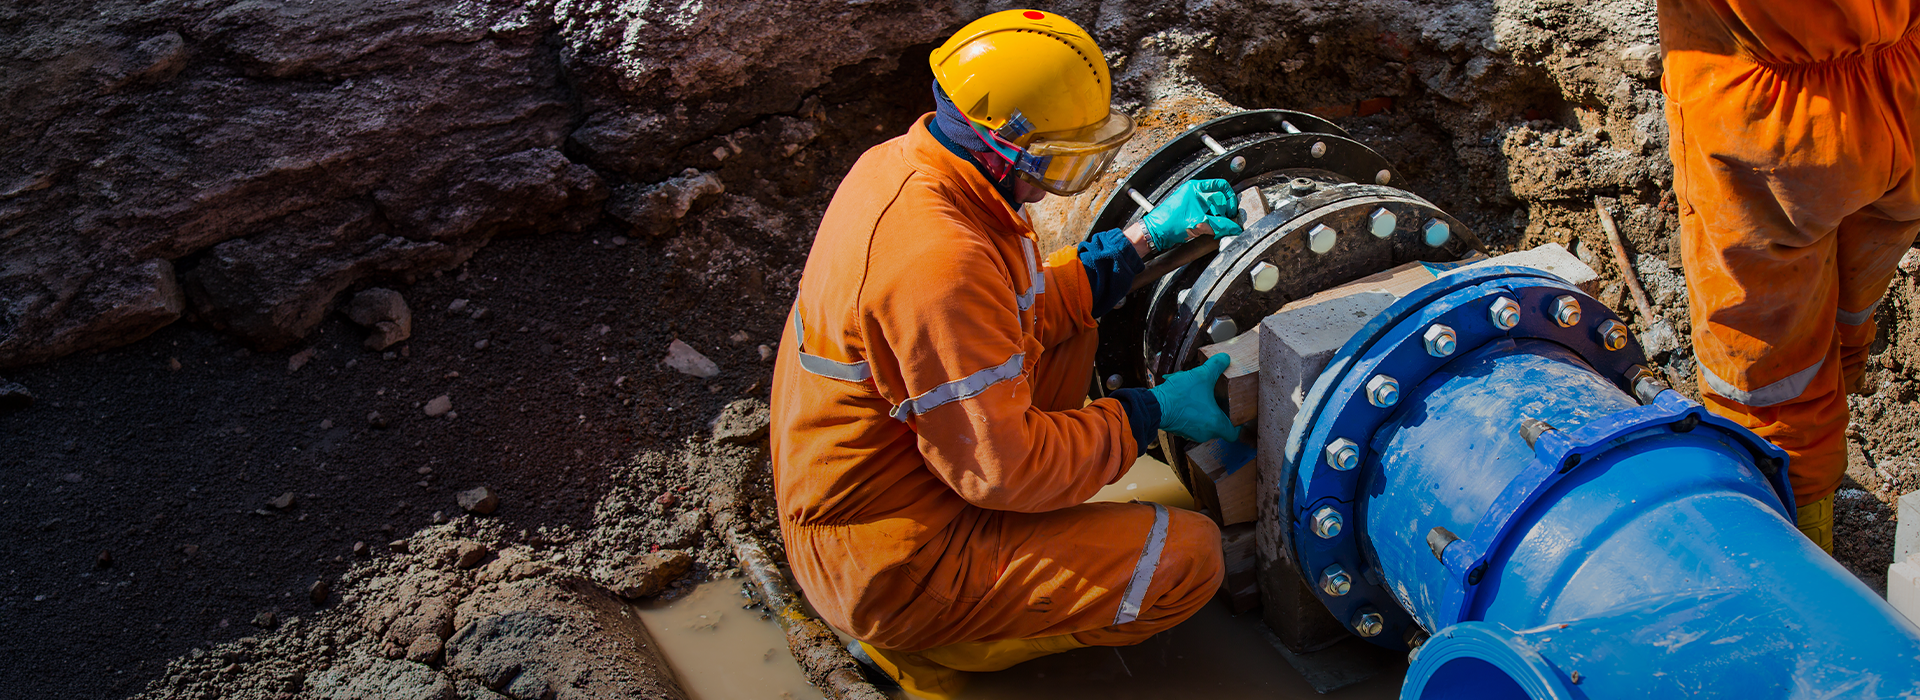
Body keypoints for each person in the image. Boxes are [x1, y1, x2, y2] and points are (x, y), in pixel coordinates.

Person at [768, 9, 1244, 698]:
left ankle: (1018, 550)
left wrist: (1139, 242)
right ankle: (936, 653)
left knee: (1075, 327)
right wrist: (1149, 412)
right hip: (893, 564)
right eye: (1059, 159)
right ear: (1000, 145)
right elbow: (1003, 469)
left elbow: (1016, 310)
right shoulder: (937, 264)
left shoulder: (917, 172)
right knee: (1187, 561)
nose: (1055, 182)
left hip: (903, 483)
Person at [1662, 0, 1920, 551]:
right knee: (1850, 294)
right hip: (1908, 79)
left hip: (1767, 116)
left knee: (1770, 378)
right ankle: (1841, 397)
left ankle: (1799, 549)